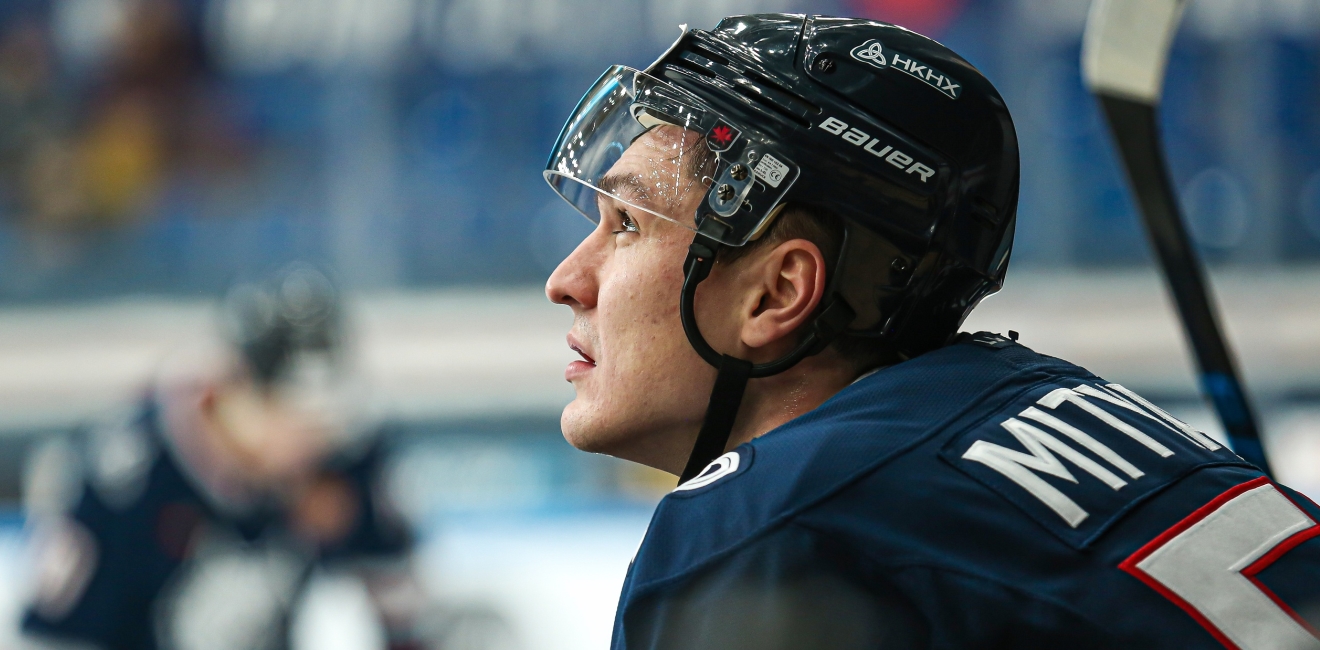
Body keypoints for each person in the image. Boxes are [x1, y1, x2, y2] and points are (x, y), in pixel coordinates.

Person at [541, 14, 1320, 649]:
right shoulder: (1061, 408)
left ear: (778, 293)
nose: (566, 280)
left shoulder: (765, 528)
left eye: (627, 224)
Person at [20, 265, 417, 650]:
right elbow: (57, 637)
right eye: (296, 414)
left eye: (328, 419)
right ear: (234, 391)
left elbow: (404, 607)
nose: (315, 441)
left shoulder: (341, 458)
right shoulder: (126, 478)